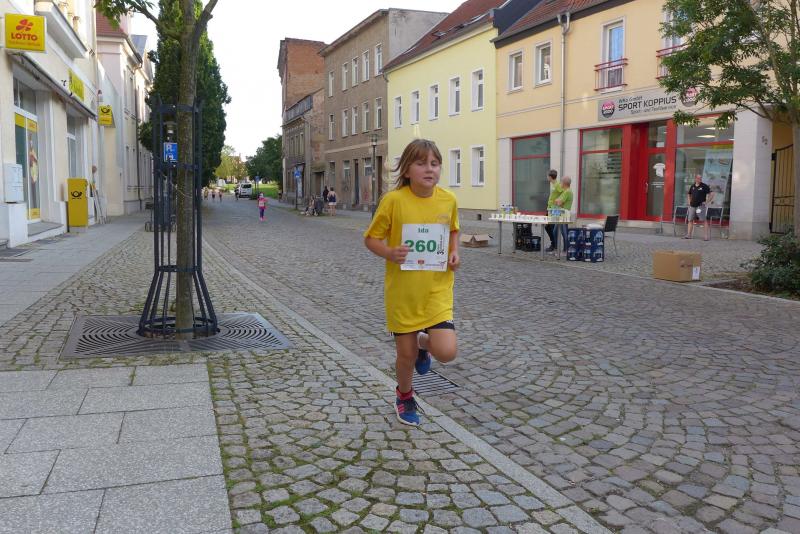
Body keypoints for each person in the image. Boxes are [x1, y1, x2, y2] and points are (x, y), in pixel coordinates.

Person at [364, 139, 460, 427]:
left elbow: (453, 230)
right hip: (404, 293)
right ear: (406, 170)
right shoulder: (393, 201)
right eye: (421, 163)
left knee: (446, 351)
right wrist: (389, 253)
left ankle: (423, 342)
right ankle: (404, 395)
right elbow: (371, 239)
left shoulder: (448, 200)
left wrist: (454, 252)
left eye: (435, 163)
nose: (429, 169)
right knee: (405, 357)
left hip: (436, 290)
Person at [684, 173, 714, 241]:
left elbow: (712, 193)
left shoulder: (704, 186)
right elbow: (689, 194)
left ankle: (706, 236)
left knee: (703, 220)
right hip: (692, 206)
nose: (699, 179)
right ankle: (689, 235)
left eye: (700, 178)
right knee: (690, 220)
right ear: (695, 179)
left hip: (700, 206)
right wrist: (689, 202)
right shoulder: (692, 186)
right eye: (698, 178)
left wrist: (707, 201)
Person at [552, 176, 574, 253]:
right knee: (555, 232)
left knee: (564, 233)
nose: (560, 183)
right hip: (560, 214)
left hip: (564, 215)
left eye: (561, 182)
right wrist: (557, 201)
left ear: (564, 183)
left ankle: (566, 250)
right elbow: (557, 202)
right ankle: (556, 248)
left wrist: (557, 201)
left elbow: (558, 202)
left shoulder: (567, 192)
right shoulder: (566, 191)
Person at [544, 169, 560, 252]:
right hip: (549, 208)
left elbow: (564, 193)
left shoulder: (557, 185)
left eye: (547, 176)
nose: (547, 177)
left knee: (551, 227)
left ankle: (554, 245)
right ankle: (554, 244)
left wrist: (558, 204)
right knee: (548, 227)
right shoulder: (554, 184)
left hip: (554, 210)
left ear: (550, 177)